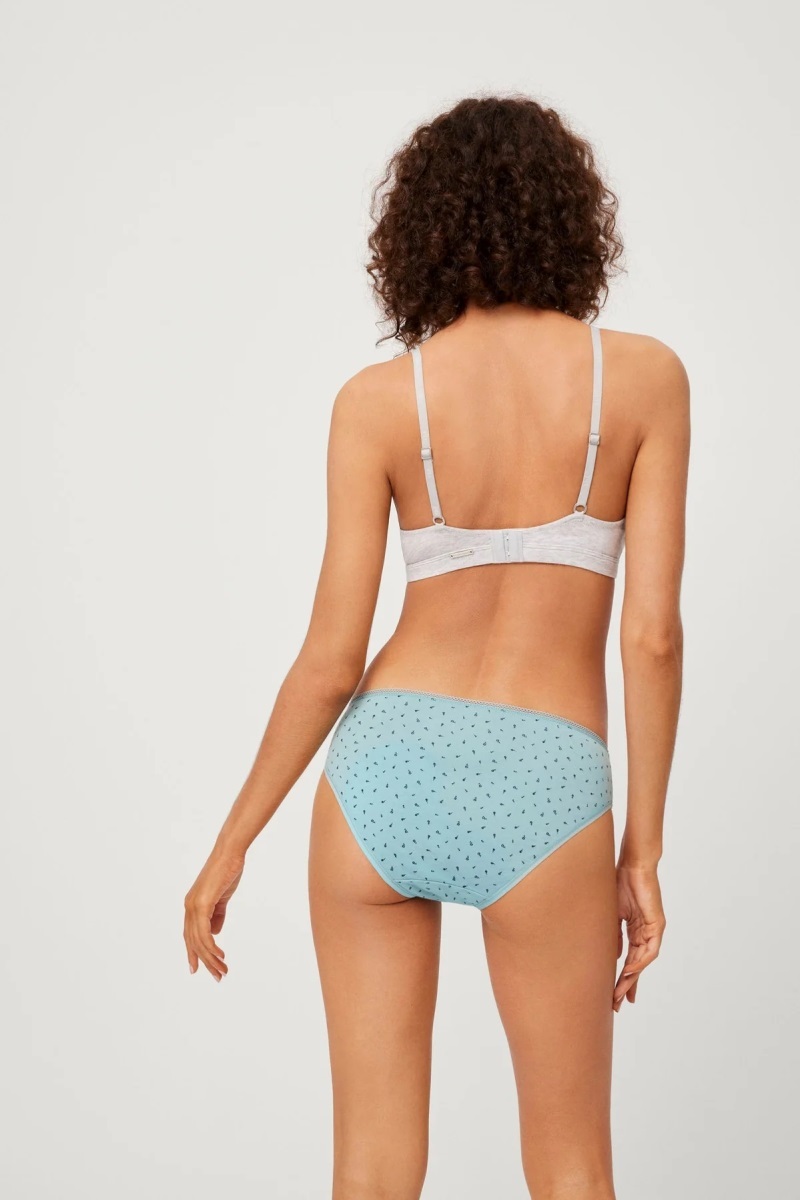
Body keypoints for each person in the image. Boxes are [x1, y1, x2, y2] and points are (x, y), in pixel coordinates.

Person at [183, 95, 689, 1200]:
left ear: (420, 230)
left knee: (370, 1172)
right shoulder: (644, 379)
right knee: (570, 1167)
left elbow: (331, 658)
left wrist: (233, 842)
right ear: (570, 218)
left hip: (383, 771)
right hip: (544, 781)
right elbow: (650, 638)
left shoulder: (378, 401)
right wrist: (641, 852)